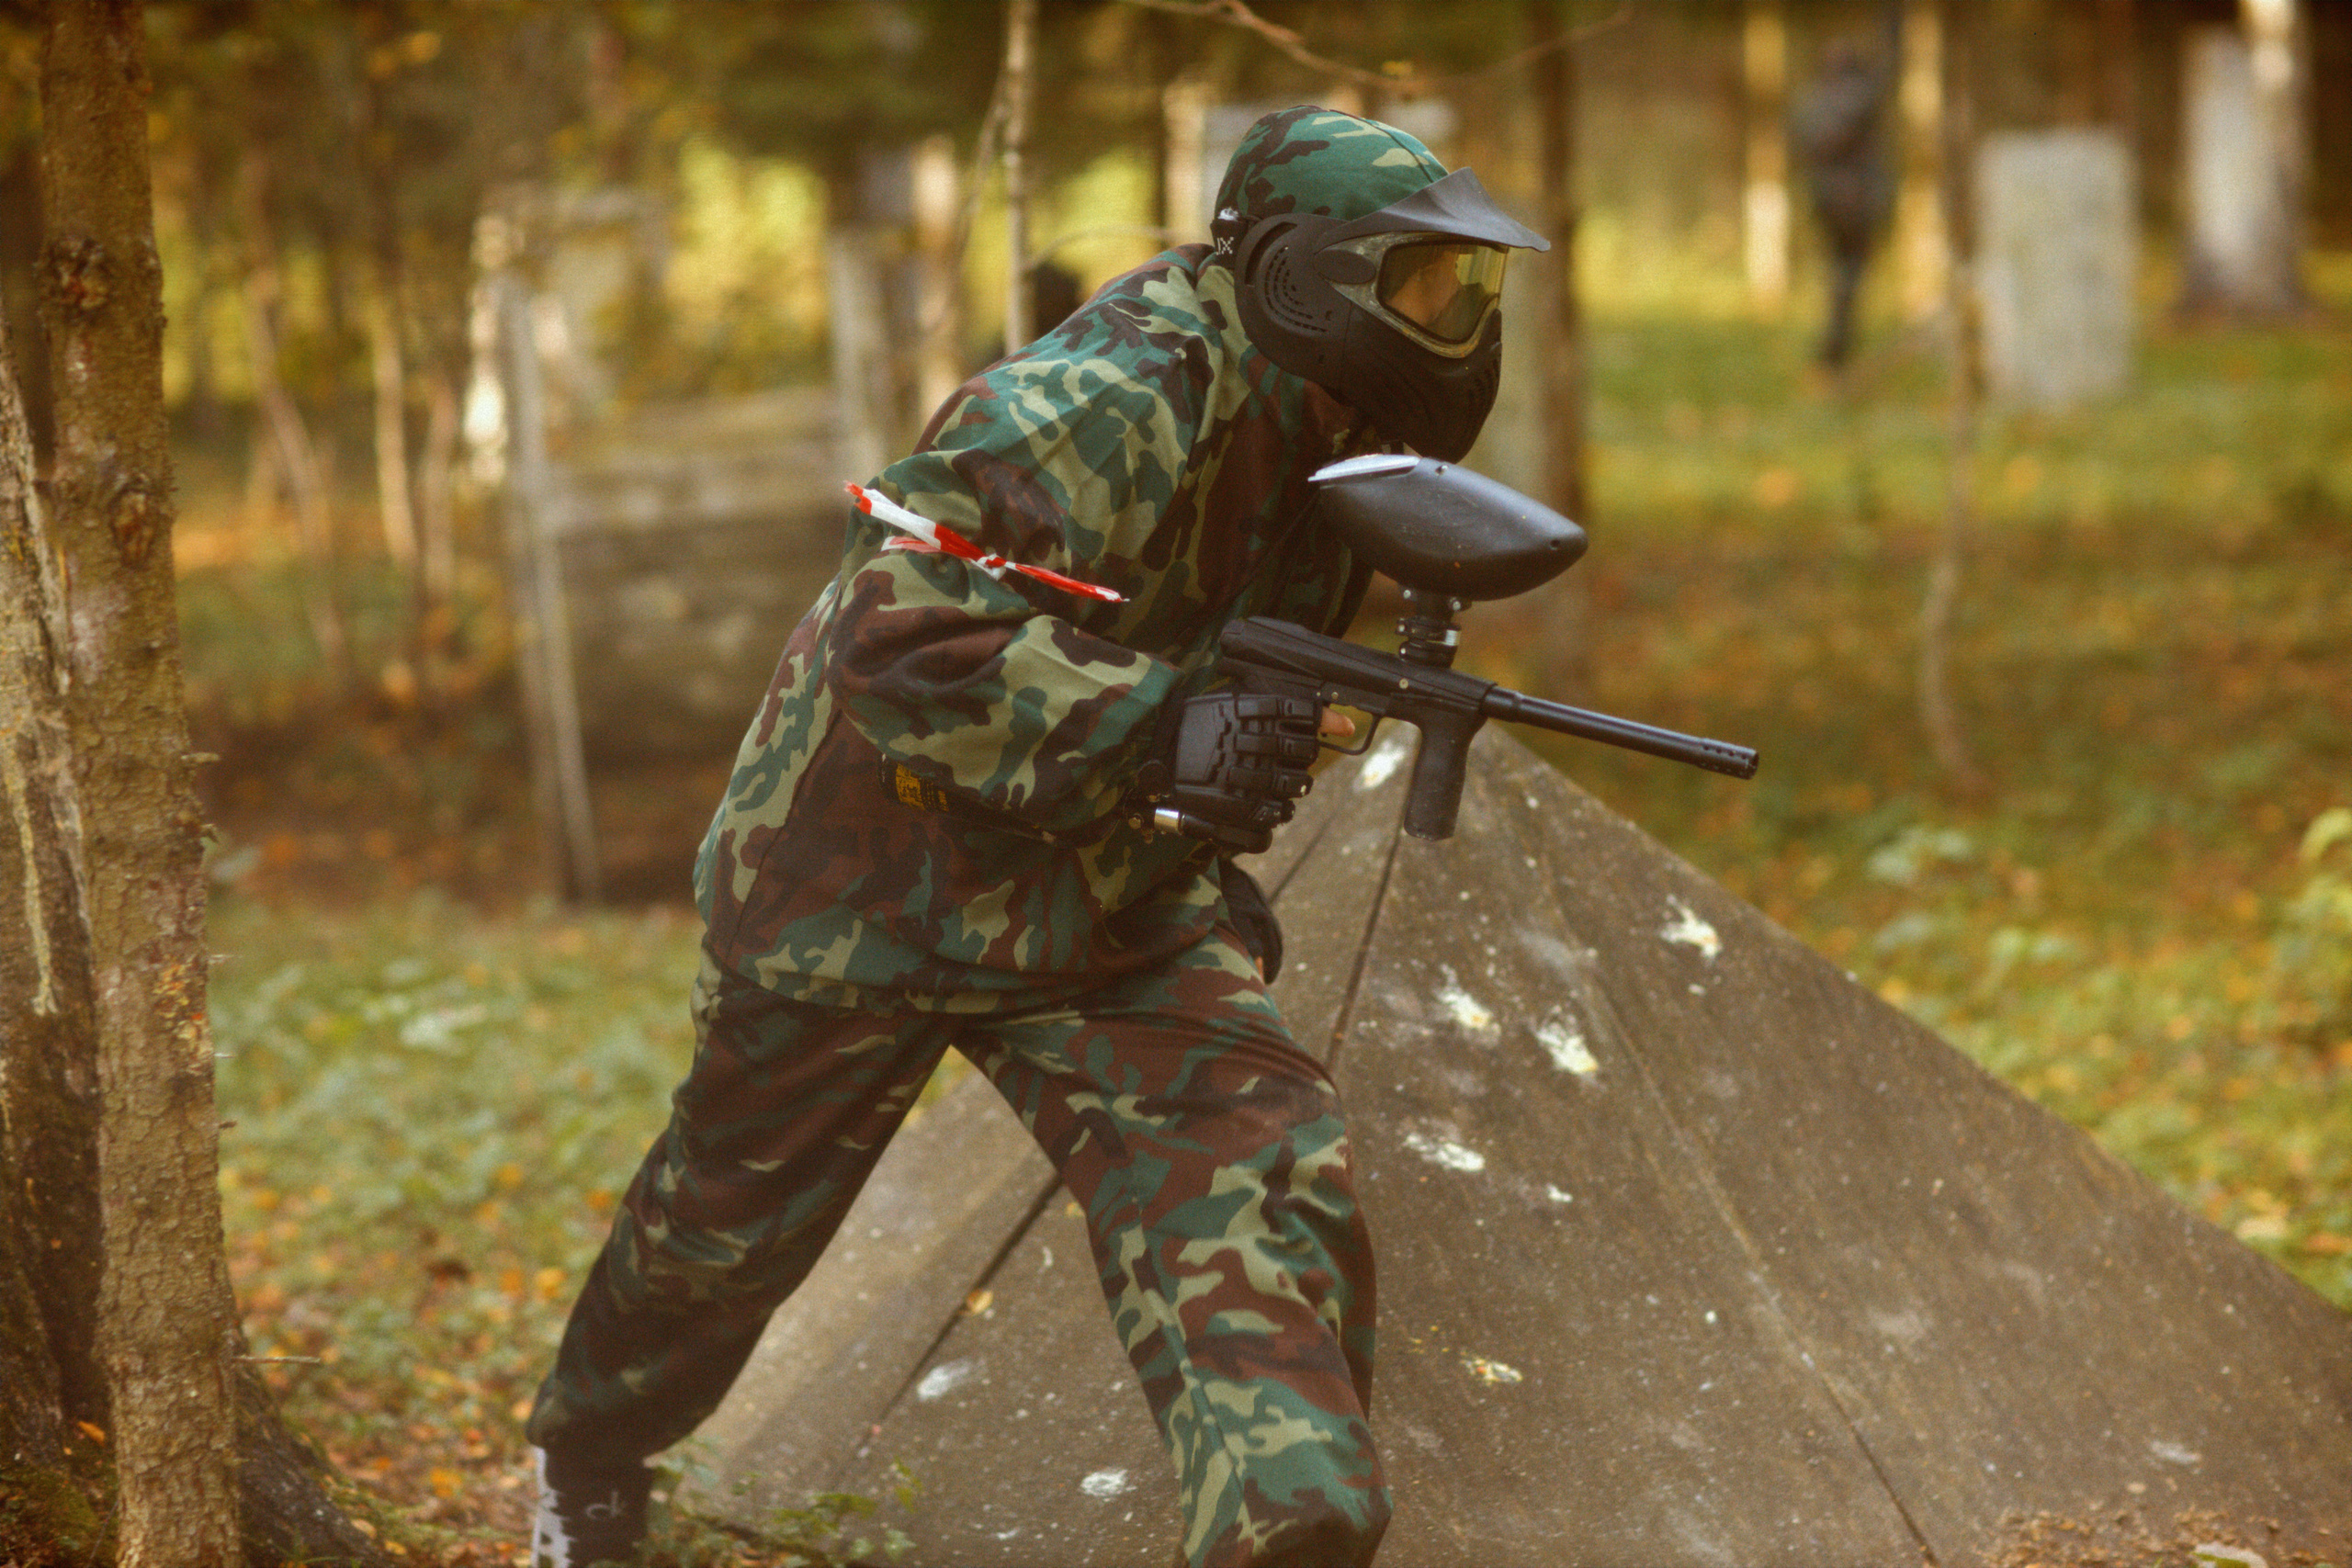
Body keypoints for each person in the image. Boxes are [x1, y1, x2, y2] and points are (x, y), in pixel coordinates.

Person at [525, 106, 1545, 1568]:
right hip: (859, 881)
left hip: (1100, 893)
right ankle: (587, 1461)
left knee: (1254, 1160)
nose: (1450, 327)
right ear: (1304, 272)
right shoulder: (1107, 399)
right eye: (1423, 287)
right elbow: (898, 634)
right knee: (720, 1241)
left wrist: (1202, 819)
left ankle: (1290, 1527)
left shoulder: (1332, 422)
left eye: (1468, 293)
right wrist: (1160, 732)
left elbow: (1213, 654)